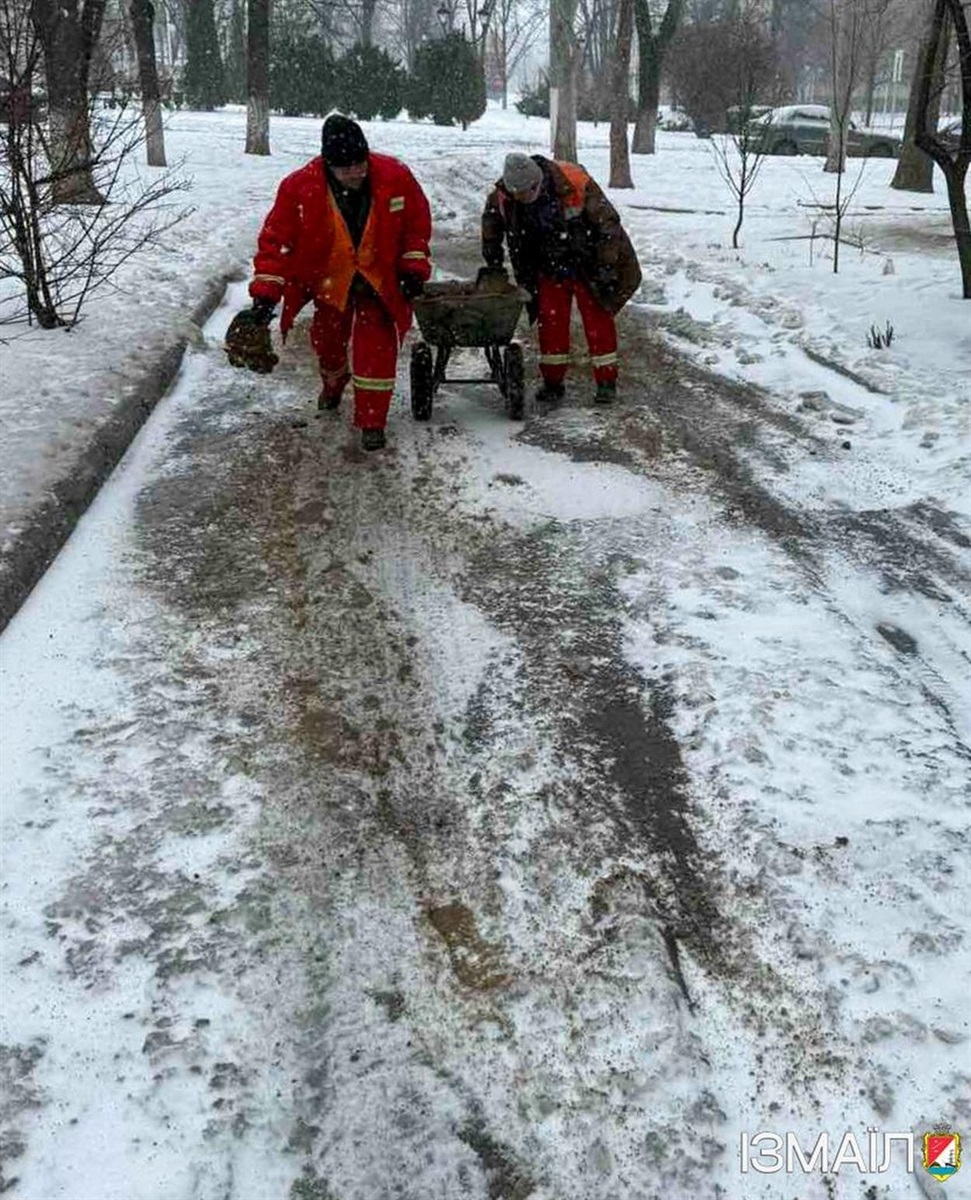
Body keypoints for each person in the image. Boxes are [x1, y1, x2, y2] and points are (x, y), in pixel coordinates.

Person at [225, 113, 432, 451]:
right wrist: (264, 299)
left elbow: (416, 225)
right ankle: (333, 385)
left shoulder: (395, 176)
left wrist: (412, 267)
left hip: (378, 283)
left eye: (360, 163)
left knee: (376, 350)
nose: (356, 172)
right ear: (328, 165)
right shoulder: (299, 188)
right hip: (328, 284)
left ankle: (371, 421)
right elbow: (276, 244)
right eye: (346, 167)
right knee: (327, 343)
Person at [481, 152, 641, 406]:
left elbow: (607, 226)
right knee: (551, 322)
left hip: (586, 263)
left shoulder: (574, 181)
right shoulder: (504, 194)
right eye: (518, 195)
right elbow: (491, 219)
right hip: (547, 266)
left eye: (527, 193)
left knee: (598, 320)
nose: (522, 199)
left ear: (537, 183)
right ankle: (553, 382)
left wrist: (607, 267)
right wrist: (491, 251)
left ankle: (606, 382)